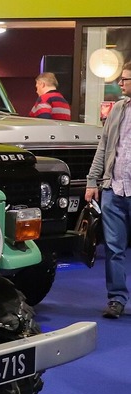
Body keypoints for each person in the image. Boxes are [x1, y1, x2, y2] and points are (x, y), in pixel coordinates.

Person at [85, 61, 131, 318]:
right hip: (113, 189)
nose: (120, 84)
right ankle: (116, 299)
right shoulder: (117, 110)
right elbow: (103, 147)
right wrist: (93, 181)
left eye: (125, 79)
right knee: (113, 248)